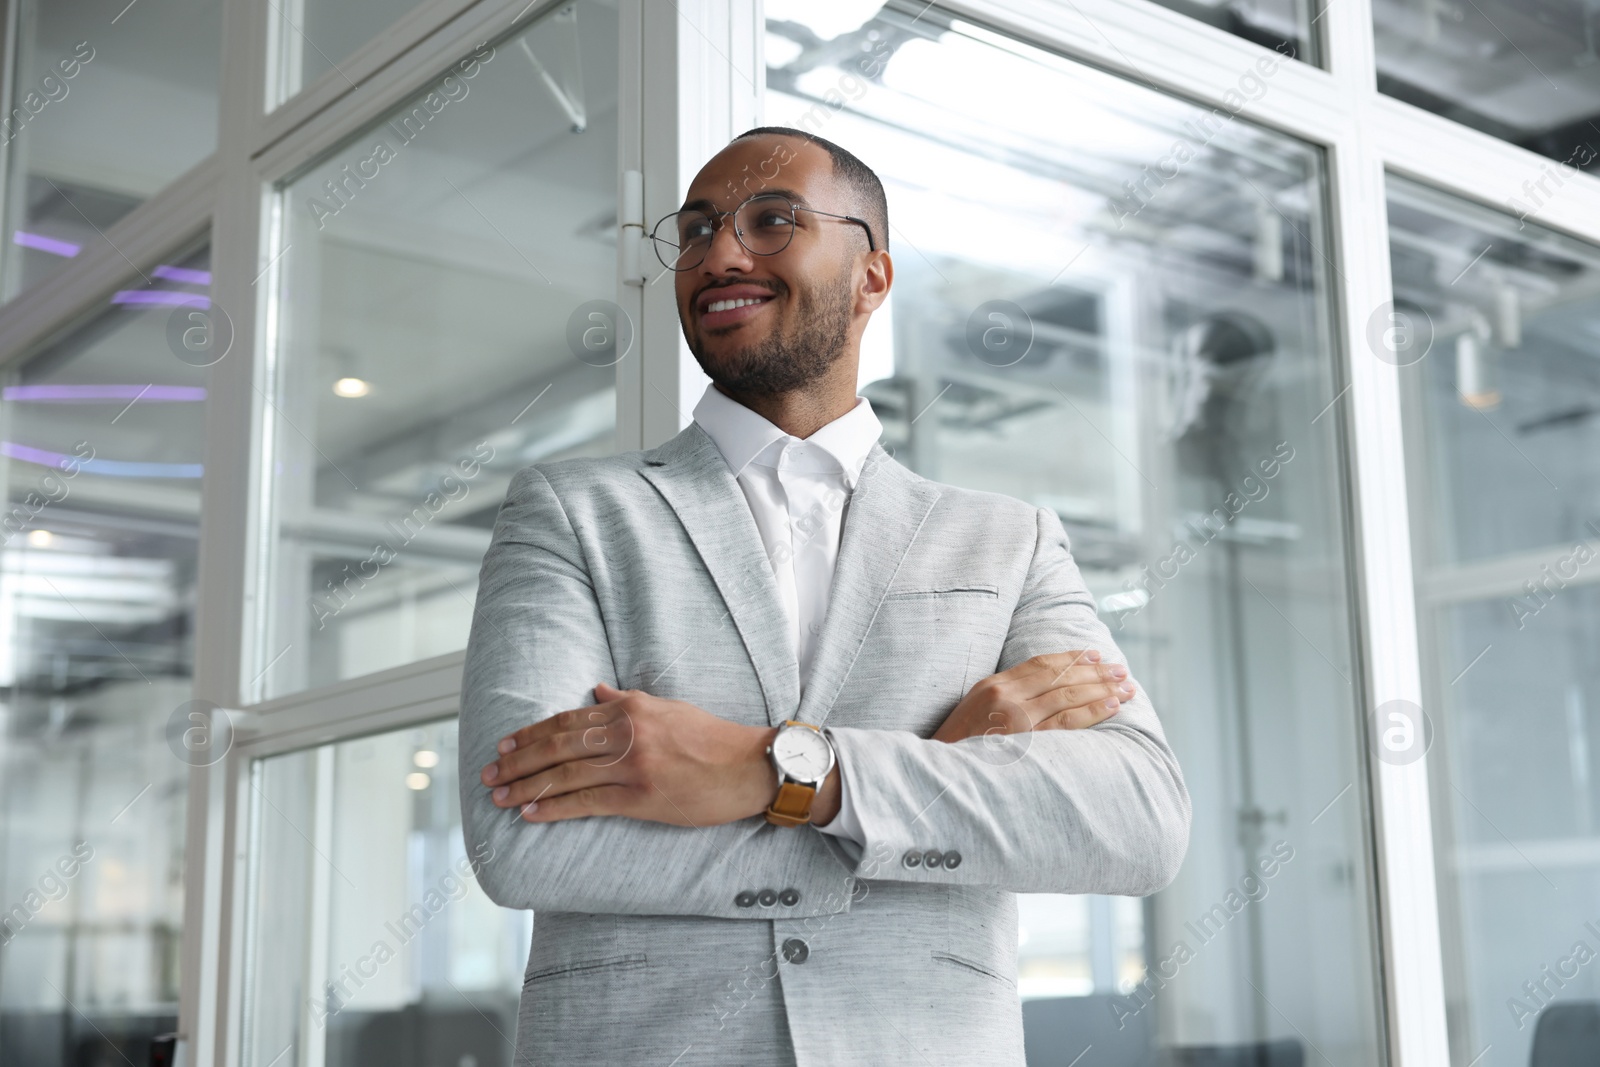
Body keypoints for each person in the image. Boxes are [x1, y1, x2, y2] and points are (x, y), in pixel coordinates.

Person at [459, 126, 1190, 1066]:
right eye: (695, 230)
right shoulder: (571, 512)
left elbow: (1136, 821)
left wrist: (779, 770)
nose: (720, 253)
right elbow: (525, 841)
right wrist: (924, 784)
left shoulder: (1009, 540)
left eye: (772, 221)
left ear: (873, 276)